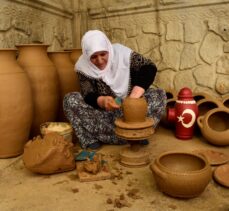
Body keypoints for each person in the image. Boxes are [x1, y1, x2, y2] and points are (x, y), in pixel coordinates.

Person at [63, 30, 166, 149]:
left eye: (103, 54)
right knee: (70, 99)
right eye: (94, 57)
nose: (100, 61)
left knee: (159, 94)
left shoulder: (122, 53)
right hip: (105, 116)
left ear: (108, 48)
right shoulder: (83, 67)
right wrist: (102, 101)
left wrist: (133, 97)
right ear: (87, 56)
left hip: (130, 115)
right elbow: (88, 94)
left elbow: (149, 68)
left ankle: (138, 133)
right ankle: (92, 139)